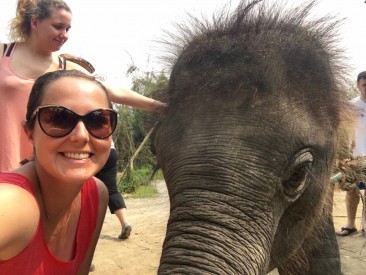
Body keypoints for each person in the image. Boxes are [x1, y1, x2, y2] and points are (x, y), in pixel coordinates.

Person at [0, 0, 165, 240]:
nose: (64, 35)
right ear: (35, 22)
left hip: (51, 171)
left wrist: (161, 107)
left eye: (68, 29)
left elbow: (112, 91)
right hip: (6, 163)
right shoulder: (4, 54)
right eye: (58, 26)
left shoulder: (66, 68)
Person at [0, 70, 115, 274]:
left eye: (98, 121)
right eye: (59, 118)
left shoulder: (96, 195)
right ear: (29, 132)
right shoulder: (10, 202)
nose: (81, 136)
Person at [337, 71, 366, 236]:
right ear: (358, 85)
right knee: (352, 191)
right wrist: (344, 155)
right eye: (365, 85)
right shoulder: (350, 106)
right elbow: (343, 133)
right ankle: (350, 224)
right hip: (354, 156)